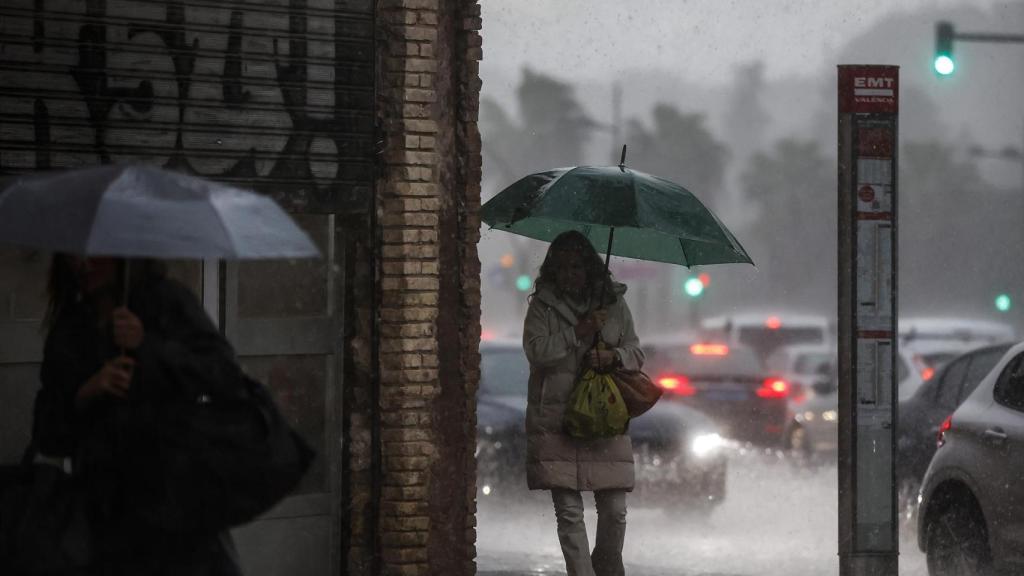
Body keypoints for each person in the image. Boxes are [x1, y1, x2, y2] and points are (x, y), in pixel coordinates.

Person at [32, 255, 243, 576]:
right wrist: (86, 392)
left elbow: (222, 375)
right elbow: (47, 434)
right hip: (103, 522)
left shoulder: (166, 304)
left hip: (176, 507)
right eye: (74, 254)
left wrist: (148, 344)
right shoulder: (72, 329)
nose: (84, 264)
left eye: (96, 254)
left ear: (123, 254)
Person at [522, 230, 644, 576]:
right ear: (552, 271)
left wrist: (614, 356)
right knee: (569, 512)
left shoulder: (614, 305)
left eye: (576, 266)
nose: (569, 274)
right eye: (561, 268)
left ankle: (605, 568)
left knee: (614, 511)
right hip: (557, 419)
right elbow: (536, 351)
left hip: (604, 418)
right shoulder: (542, 307)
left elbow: (636, 352)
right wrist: (576, 332)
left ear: (590, 268)